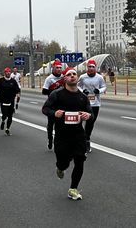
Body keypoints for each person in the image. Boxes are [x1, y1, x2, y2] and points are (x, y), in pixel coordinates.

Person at [42, 67, 92, 200]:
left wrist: (88, 115)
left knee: (80, 160)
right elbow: (45, 109)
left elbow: (90, 113)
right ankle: (60, 167)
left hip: (78, 134)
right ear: (64, 79)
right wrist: (54, 113)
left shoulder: (82, 97)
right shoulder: (57, 95)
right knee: (63, 162)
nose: (72, 76)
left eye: (74, 74)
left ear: (77, 77)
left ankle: (73, 189)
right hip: (62, 135)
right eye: (69, 75)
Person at [77, 59, 106, 153]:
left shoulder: (99, 77)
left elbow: (104, 87)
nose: (91, 68)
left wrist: (99, 91)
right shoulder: (82, 77)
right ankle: (82, 139)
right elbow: (78, 86)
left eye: (93, 67)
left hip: (95, 103)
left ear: (95, 68)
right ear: (87, 67)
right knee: (80, 121)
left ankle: (87, 139)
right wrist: (82, 91)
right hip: (84, 102)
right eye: (89, 67)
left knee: (91, 122)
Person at [42, 59, 64, 149]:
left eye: (60, 68)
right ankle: (50, 139)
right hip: (52, 105)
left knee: (60, 125)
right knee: (51, 124)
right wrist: (54, 90)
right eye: (57, 68)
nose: (59, 69)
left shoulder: (63, 77)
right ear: (53, 68)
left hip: (62, 104)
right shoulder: (49, 79)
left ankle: (58, 141)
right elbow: (44, 91)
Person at [0, 67, 20, 136]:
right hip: (3, 100)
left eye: (9, 72)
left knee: (10, 116)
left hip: (11, 100)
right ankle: (3, 120)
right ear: (4, 73)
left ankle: (7, 129)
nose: (8, 73)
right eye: (7, 72)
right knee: (5, 114)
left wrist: (18, 95)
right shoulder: (0, 80)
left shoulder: (13, 81)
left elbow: (17, 89)